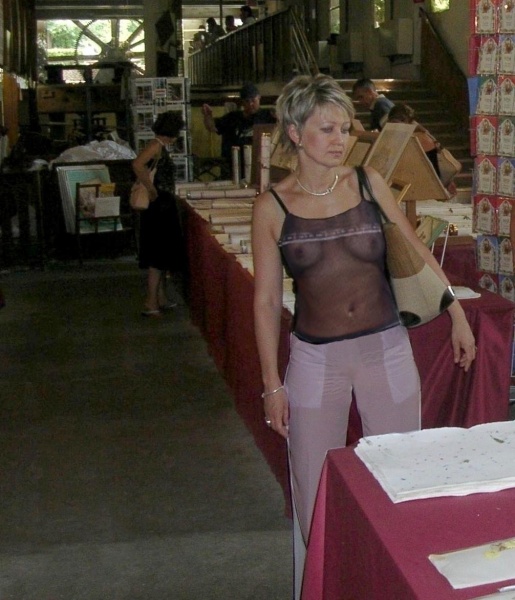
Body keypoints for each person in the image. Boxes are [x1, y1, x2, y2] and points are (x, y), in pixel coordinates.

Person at [251, 74, 476, 598]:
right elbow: (264, 301)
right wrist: (271, 384)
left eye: (345, 128)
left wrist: (457, 312)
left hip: (385, 350)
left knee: (402, 473)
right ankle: (321, 587)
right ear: (295, 132)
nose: (340, 139)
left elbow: (413, 250)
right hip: (315, 360)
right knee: (312, 488)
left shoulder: (368, 182)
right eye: (327, 129)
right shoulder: (271, 207)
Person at [132, 111, 185, 317]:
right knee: (158, 255)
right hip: (159, 205)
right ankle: (151, 301)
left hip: (161, 205)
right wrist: (151, 188)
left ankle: (160, 297)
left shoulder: (158, 146)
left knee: (161, 255)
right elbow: (137, 164)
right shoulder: (156, 146)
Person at [201, 82, 276, 178]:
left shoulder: (268, 116)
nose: (251, 104)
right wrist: (207, 115)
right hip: (234, 167)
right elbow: (212, 127)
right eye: (247, 101)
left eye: (253, 100)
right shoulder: (233, 118)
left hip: (260, 166)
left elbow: (282, 127)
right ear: (242, 102)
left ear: (259, 98)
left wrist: (279, 116)